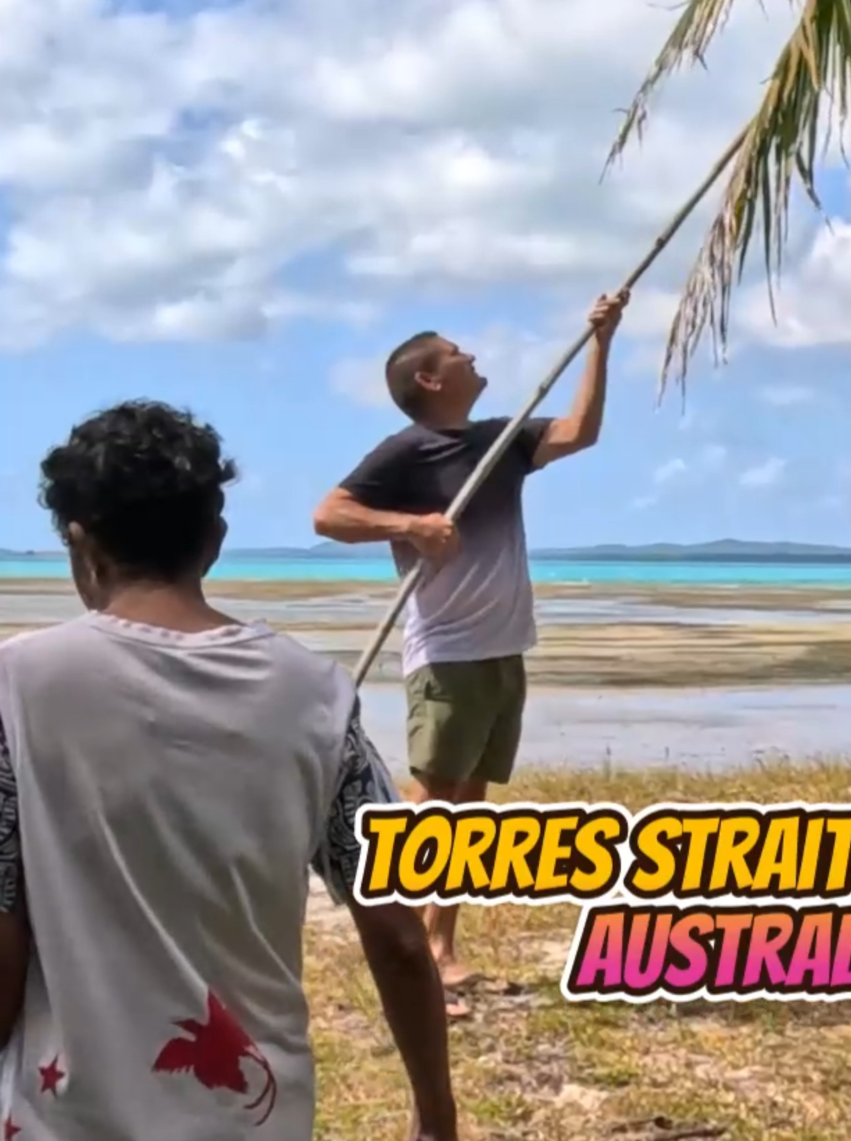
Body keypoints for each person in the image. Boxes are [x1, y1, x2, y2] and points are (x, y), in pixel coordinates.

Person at [0, 399, 458, 1141]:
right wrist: (436, 1117)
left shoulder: (17, 688)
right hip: (257, 1117)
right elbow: (399, 932)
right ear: (214, 538)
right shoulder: (314, 693)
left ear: (81, 544)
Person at [312, 292, 628, 1014]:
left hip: (503, 649)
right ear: (429, 380)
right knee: (432, 806)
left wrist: (601, 341)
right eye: (458, 352)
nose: (473, 357)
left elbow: (580, 432)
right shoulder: (407, 452)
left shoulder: (502, 438)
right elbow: (329, 514)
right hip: (446, 652)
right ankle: (397, 937)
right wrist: (412, 525)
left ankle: (441, 947)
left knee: (469, 809)